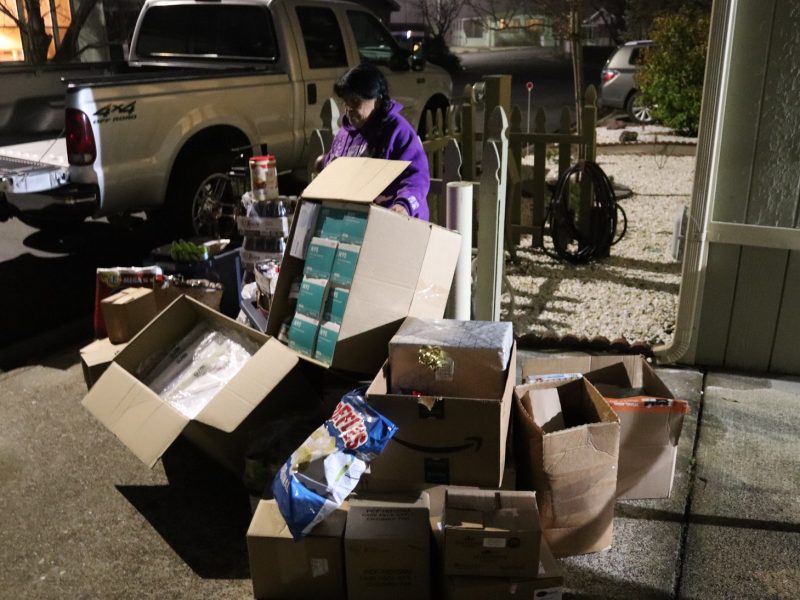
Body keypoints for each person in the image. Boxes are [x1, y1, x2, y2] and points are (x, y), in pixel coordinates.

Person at [319, 62, 430, 221]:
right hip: (356, 220)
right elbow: (335, 166)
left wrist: (404, 205)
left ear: (377, 101)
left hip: (394, 222)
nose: (349, 109)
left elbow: (416, 176)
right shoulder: (344, 134)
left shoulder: (398, 131)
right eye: (346, 102)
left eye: (355, 102)